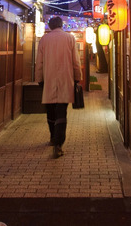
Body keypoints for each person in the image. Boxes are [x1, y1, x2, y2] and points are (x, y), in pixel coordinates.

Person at [36, 16, 82, 158]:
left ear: (50, 26)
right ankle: (58, 144)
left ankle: (52, 137)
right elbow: (76, 61)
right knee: (62, 112)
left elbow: (39, 63)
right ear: (61, 25)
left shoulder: (44, 39)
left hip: (48, 80)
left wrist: (39, 80)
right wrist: (77, 77)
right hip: (65, 79)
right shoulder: (69, 38)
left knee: (50, 111)